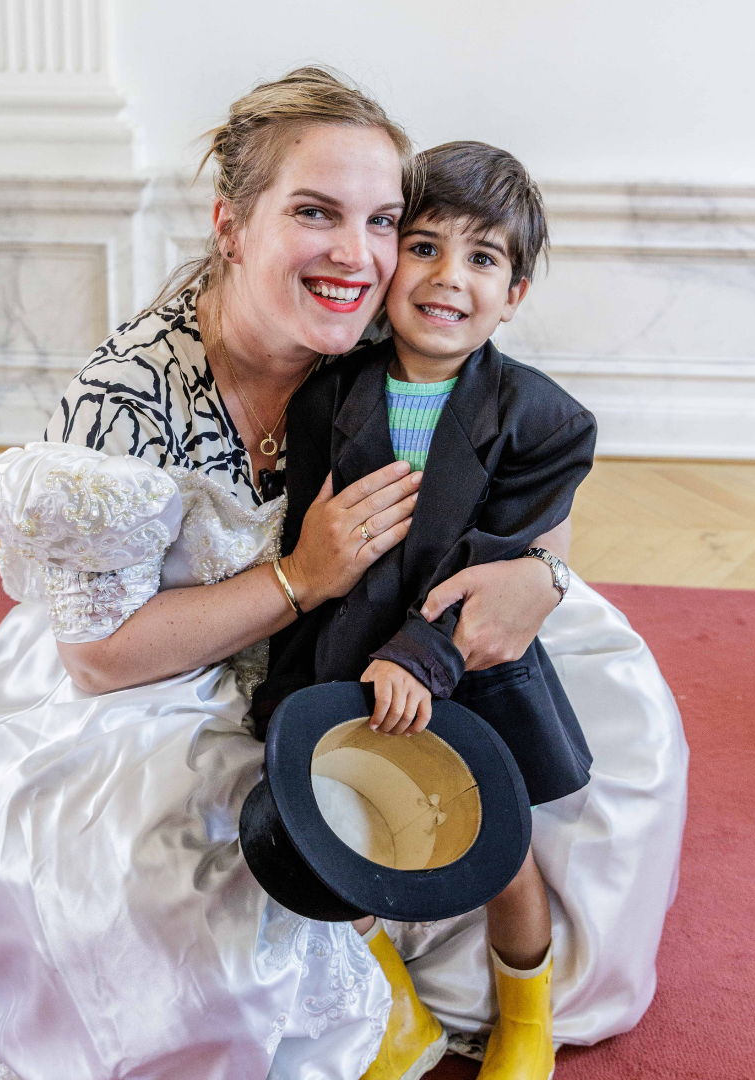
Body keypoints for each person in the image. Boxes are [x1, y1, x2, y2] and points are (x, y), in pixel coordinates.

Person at [0, 68, 687, 1080]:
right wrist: (305, 575)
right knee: (178, 884)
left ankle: (512, 991)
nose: (361, 254)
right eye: (314, 212)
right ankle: (368, 1004)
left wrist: (541, 582)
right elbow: (99, 660)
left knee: (605, 721)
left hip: (386, 625)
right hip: (159, 671)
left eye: (384, 219)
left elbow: (521, 494)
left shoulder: (396, 321)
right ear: (231, 223)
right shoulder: (128, 400)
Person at [263, 141, 599, 1080]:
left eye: (483, 259)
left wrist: (421, 657)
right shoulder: (329, 390)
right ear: (388, 259)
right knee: (343, 847)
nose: (449, 279)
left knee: (505, 851)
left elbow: (498, 563)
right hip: (343, 656)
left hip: (469, 663)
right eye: (424, 247)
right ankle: (395, 1012)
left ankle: (523, 1016)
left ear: (515, 292)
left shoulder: (545, 420)